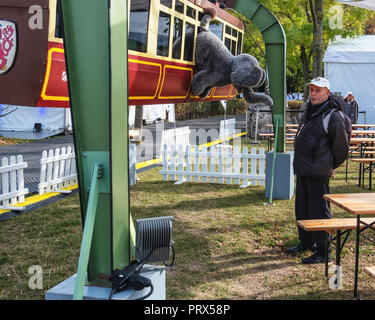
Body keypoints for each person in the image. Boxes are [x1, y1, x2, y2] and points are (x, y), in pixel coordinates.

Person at [287, 77, 350, 264]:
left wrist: (329, 166)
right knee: (302, 210)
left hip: (318, 173)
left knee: (320, 212)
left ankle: (324, 251)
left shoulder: (333, 116)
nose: (313, 94)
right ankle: (306, 242)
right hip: (303, 170)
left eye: (318, 91)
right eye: (312, 90)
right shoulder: (309, 110)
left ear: (327, 93)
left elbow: (341, 149)